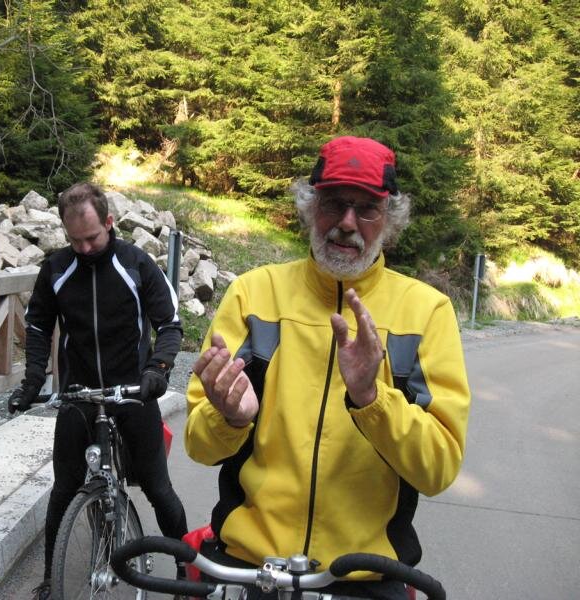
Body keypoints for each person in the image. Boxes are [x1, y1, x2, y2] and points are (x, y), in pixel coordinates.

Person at [185, 136, 471, 600]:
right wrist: (230, 419)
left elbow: (437, 468)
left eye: (367, 209)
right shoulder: (253, 294)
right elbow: (199, 446)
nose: (347, 222)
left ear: (389, 220)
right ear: (310, 207)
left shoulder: (427, 312)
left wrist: (372, 401)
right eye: (334, 203)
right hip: (250, 567)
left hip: (365, 576)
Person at [9, 182, 188, 600]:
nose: (85, 249)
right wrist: (32, 381)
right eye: (75, 241)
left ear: (109, 222)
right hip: (79, 392)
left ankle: (187, 568)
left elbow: (170, 324)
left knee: (158, 488)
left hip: (133, 391)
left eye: (91, 238)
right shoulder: (57, 269)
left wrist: (158, 369)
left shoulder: (136, 264)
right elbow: (38, 327)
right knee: (63, 491)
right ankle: (52, 581)